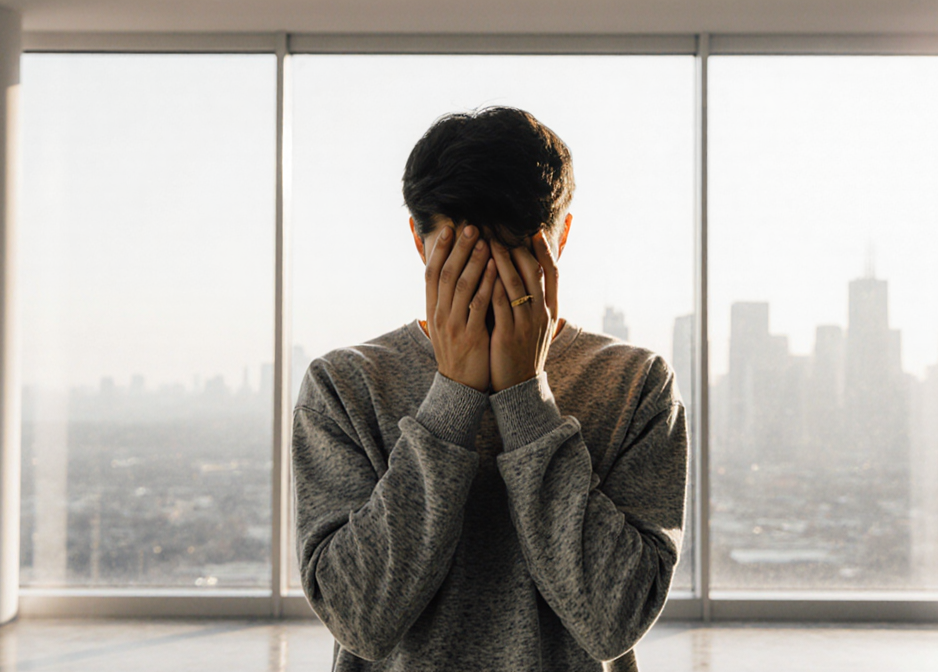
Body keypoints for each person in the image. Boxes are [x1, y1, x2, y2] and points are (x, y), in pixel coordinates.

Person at [292, 106, 688, 672]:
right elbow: (360, 620)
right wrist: (452, 395)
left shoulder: (634, 384)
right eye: (464, 259)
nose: (490, 284)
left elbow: (613, 621)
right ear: (418, 241)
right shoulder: (344, 386)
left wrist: (526, 396)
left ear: (561, 239)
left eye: (514, 255)